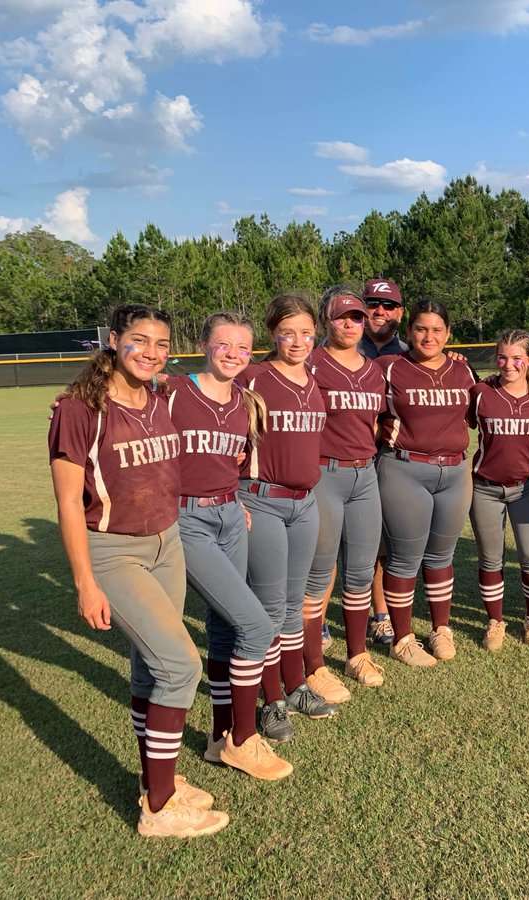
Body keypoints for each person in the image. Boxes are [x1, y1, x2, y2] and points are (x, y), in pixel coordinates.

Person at [49, 304, 229, 837]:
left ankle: (157, 780)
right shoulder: (78, 408)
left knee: (150, 666)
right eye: (139, 340)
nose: (151, 352)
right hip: (113, 551)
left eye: (162, 343)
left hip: (166, 543)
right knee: (180, 666)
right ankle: (159, 805)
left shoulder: (161, 396)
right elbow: (66, 504)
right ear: (113, 340)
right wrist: (85, 582)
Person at [170, 313, 292, 779]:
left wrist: (234, 500)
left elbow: (235, 463)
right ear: (203, 343)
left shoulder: (247, 400)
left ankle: (220, 737)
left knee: (223, 630)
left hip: (229, 515)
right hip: (185, 518)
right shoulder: (174, 391)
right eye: (224, 344)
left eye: (243, 347)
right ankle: (244, 739)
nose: (234, 354)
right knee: (256, 627)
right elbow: (124, 405)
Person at [238, 295, 337, 740]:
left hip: (305, 503)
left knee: (294, 605)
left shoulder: (314, 379)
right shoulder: (253, 376)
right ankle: (272, 700)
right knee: (269, 608)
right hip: (261, 500)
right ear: (272, 334)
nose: (297, 341)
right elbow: (194, 395)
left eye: (305, 332)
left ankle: (296, 686)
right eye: (287, 332)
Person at [376, 299, 477, 667]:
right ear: (408, 332)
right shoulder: (389, 368)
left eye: (437, 329)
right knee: (405, 558)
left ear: (448, 334)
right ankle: (402, 639)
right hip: (405, 469)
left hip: (454, 472)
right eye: (421, 328)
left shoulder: (464, 372)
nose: (429, 336)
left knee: (441, 557)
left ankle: (440, 629)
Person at [301, 286, 387, 702]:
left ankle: (357, 654)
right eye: (341, 317)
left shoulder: (373, 369)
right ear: (325, 321)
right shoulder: (310, 362)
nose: (350, 324)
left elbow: (374, 423)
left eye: (356, 317)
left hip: (364, 475)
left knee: (360, 571)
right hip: (323, 474)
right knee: (318, 576)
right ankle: (314, 666)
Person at [468, 330, 529, 651]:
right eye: (502, 357)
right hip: (485, 489)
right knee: (491, 559)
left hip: (525, 488)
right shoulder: (480, 392)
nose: (509, 364)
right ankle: (495, 621)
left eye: (517, 358)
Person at [357, 277, 407, 646]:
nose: (380, 311)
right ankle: (319, 618)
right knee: (330, 545)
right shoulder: (337, 347)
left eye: (388, 305)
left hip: (389, 459)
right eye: (372, 303)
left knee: (385, 544)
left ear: (400, 313)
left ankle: (382, 614)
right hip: (343, 459)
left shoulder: (410, 352)